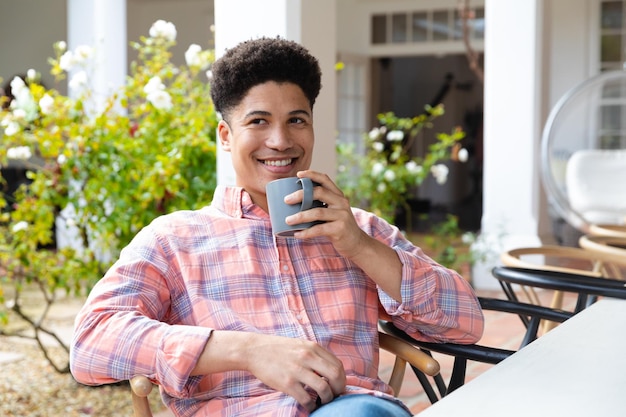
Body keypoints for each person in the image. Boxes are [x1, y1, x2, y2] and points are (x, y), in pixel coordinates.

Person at [70, 37, 484, 417]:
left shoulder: (358, 229)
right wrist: (246, 350)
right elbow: (91, 343)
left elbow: (466, 323)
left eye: (297, 120)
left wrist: (359, 246)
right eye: (258, 122)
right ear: (225, 136)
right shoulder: (174, 240)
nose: (281, 140)